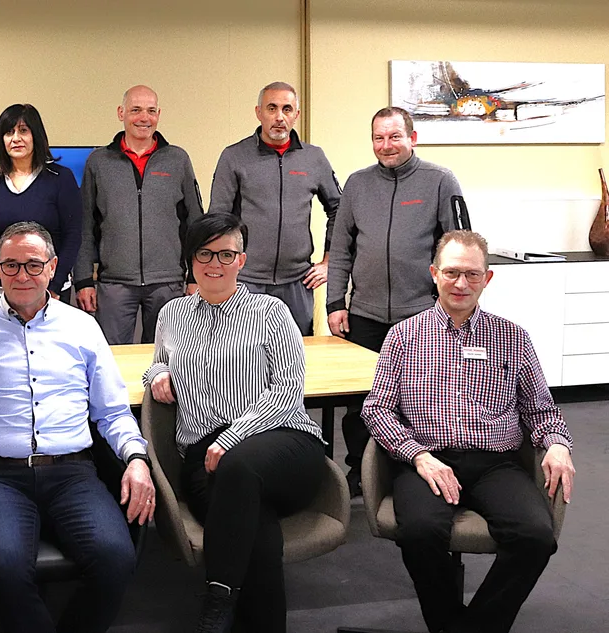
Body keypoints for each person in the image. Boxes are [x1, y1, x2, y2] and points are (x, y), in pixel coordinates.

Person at [0, 221, 156, 633]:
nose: (22, 276)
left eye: (33, 265)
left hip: (72, 473)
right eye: (11, 266)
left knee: (117, 560)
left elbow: (113, 412)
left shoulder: (82, 328)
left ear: (53, 268)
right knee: (4, 567)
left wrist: (136, 459)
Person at [362, 229, 574, 633]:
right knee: (421, 532)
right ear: (434, 274)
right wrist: (419, 457)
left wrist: (558, 444)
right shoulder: (403, 336)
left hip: (496, 463)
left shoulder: (513, 338)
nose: (462, 283)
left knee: (535, 537)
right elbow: (376, 410)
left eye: (472, 275)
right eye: (452, 272)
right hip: (427, 460)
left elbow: (540, 408)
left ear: (487, 279)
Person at [144, 213, 325, 633]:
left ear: (242, 260)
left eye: (227, 254)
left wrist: (232, 438)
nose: (215, 263)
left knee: (239, 465)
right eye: (205, 253)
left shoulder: (270, 311)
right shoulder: (172, 314)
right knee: (259, 539)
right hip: (203, 461)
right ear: (191, 260)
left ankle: (217, 596)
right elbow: (154, 365)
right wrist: (157, 376)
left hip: (282, 441)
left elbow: (286, 391)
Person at [326, 106, 462, 495]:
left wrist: (450, 308)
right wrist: (335, 303)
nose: (386, 145)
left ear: (412, 138)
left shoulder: (440, 181)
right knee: (361, 404)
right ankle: (360, 472)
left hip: (421, 316)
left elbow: (457, 249)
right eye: (378, 138)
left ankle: (413, 467)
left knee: (421, 400)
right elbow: (342, 248)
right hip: (364, 315)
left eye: (394, 136)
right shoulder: (357, 184)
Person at [207, 81, 341, 336]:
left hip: (297, 283)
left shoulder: (313, 158)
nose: (279, 117)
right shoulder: (234, 157)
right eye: (272, 108)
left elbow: (339, 210)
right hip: (246, 281)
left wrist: (328, 261)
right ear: (259, 113)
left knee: (294, 357)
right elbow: (218, 219)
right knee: (241, 357)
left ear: (296, 115)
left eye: (287, 109)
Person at [75, 85, 202, 344]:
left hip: (167, 283)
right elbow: (84, 225)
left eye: (151, 111)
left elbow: (195, 222)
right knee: (112, 360)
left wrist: (195, 277)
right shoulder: (98, 162)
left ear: (158, 114)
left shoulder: (177, 160)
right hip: (114, 284)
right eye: (136, 110)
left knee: (168, 360)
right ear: (121, 113)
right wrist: (83, 280)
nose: (144, 118)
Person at [0, 104, 82, 311]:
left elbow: (73, 236)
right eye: (9, 132)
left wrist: (54, 288)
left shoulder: (61, 179)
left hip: (47, 291)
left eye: (23, 131)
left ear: (36, 135)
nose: (16, 138)